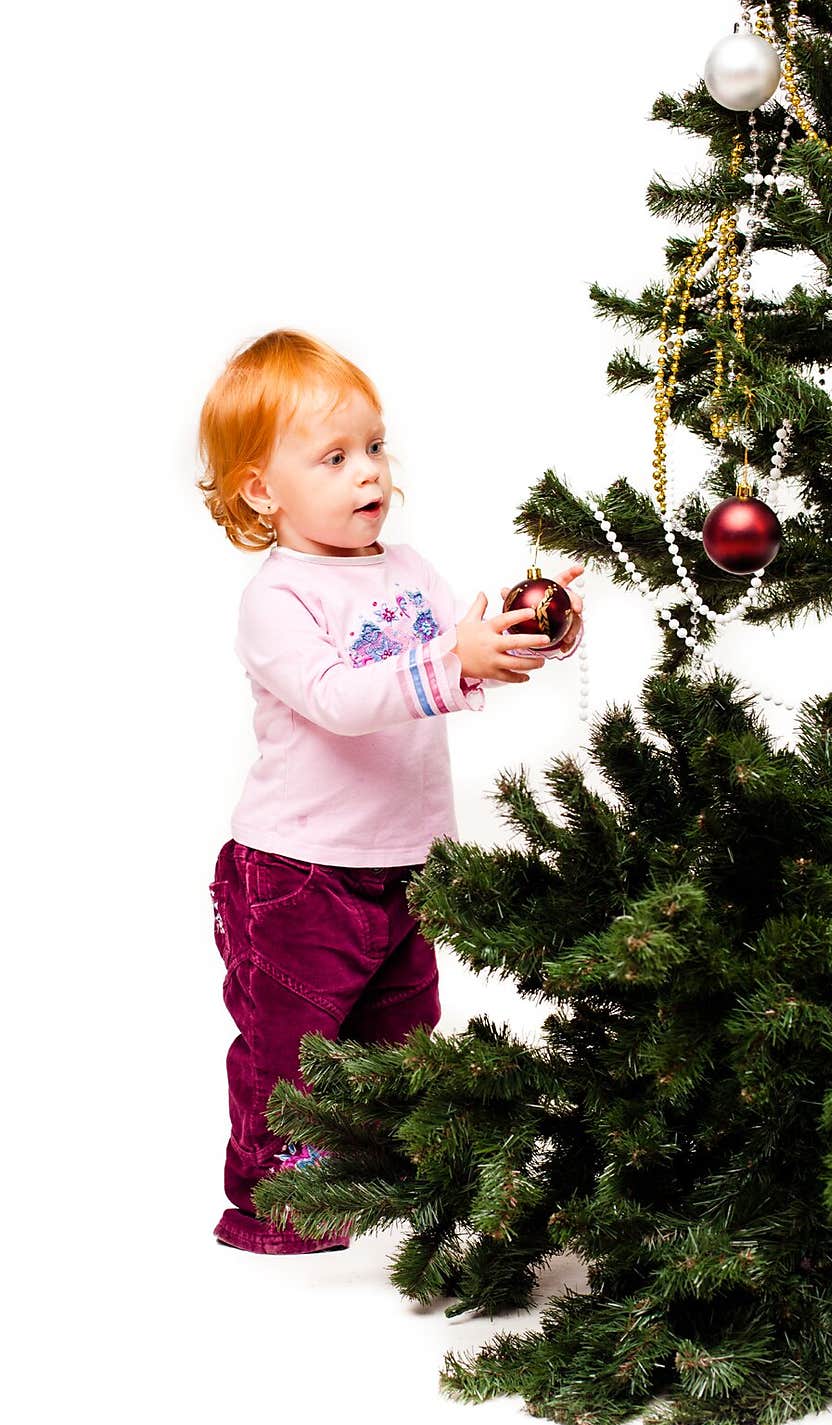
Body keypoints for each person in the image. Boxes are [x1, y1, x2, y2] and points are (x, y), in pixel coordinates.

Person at [198, 328, 584, 1253]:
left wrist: (529, 628)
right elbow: (341, 699)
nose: (368, 473)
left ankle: (384, 1178)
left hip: (407, 863)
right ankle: (275, 1208)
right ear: (262, 489)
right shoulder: (279, 599)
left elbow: (457, 649)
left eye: (373, 447)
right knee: (295, 1045)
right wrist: (456, 661)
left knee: (404, 1028)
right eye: (332, 458)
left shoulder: (406, 570)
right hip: (302, 871)